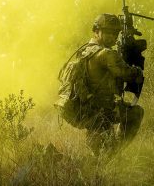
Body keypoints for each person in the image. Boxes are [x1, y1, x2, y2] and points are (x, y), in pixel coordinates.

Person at [56, 13, 144, 154]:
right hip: (100, 111)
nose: (113, 36)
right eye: (108, 32)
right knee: (135, 113)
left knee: (100, 154)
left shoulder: (85, 50)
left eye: (115, 33)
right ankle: (116, 151)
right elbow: (129, 75)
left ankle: (105, 154)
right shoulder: (107, 54)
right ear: (96, 31)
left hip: (86, 110)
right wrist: (137, 69)